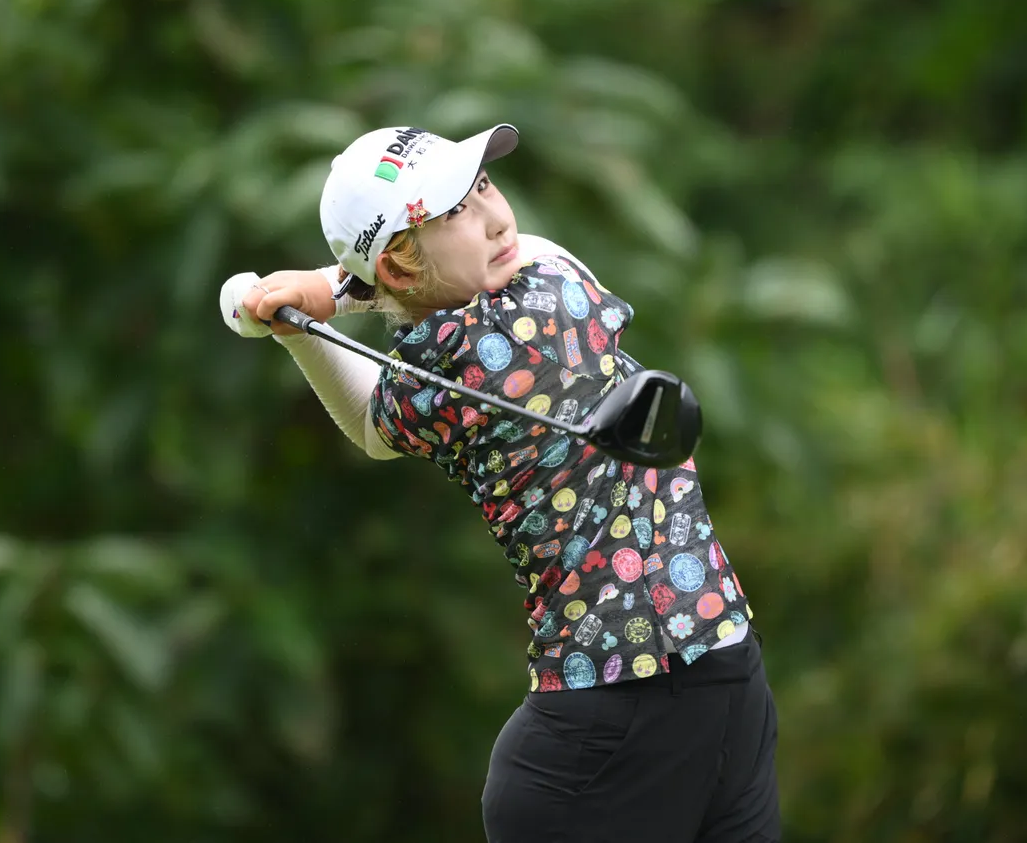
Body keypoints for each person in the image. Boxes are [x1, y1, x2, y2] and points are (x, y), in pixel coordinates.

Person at [219, 123, 781, 842]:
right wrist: (331, 293)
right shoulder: (547, 294)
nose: (495, 217)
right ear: (398, 266)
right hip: (675, 693)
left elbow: (368, 423)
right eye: (456, 211)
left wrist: (308, 316)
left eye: (483, 184)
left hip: (631, 720)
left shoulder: (432, 376)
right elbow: (538, 253)